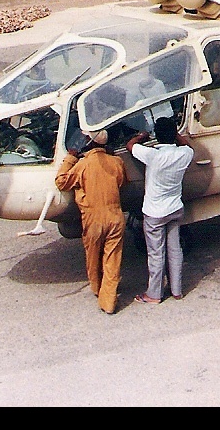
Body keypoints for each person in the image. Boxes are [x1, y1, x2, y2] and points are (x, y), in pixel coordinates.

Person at [54, 129, 128, 314]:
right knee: (113, 259)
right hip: (115, 216)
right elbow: (123, 181)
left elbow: (61, 181)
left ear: (89, 141)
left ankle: (97, 289)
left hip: (93, 218)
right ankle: (109, 301)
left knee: (93, 258)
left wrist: (70, 158)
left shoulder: (83, 165)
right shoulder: (116, 162)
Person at [128, 117, 194, 304]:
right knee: (175, 249)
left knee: (156, 254)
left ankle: (154, 294)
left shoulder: (152, 155)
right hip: (175, 208)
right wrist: (175, 135)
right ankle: (177, 290)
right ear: (174, 134)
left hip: (155, 212)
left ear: (157, 135)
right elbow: (186, 144)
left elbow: (130, 145)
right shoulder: (184, 154)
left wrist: (142, 135)